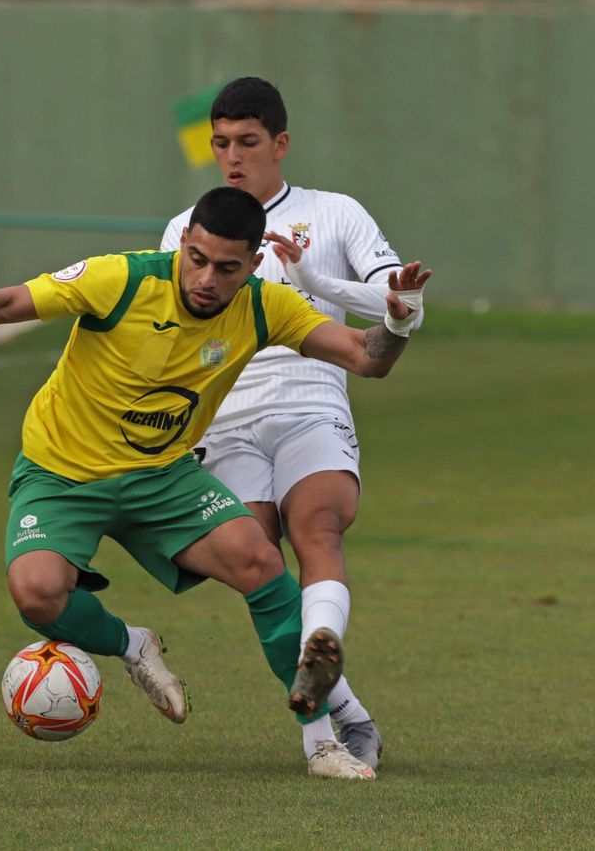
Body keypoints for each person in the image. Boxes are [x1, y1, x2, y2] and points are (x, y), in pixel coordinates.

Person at [0, 186, 429, 779]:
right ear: (184, 242)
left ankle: (321, 744)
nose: (207, 279)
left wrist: (397, 322)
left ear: (253, 264)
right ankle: (132, 645)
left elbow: (364, 356)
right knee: (36, 594)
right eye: (197, 258)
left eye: (227, 268)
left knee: (260, 562)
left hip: (162, 476)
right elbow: (6, 304)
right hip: (61, 472)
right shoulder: (121, 279)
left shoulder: (265, 305)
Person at [159, 77, 417, 773]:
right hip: (226, 417)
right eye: (221, 143)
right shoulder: (188, 227)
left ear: (280, 143)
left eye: (247, 142)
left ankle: (320, 720)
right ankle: (347, 709)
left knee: (319, 529)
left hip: (311, 402)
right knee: (259, 565)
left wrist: (322, 284)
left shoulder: (334, 212)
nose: (232, 156)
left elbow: (393, 297)